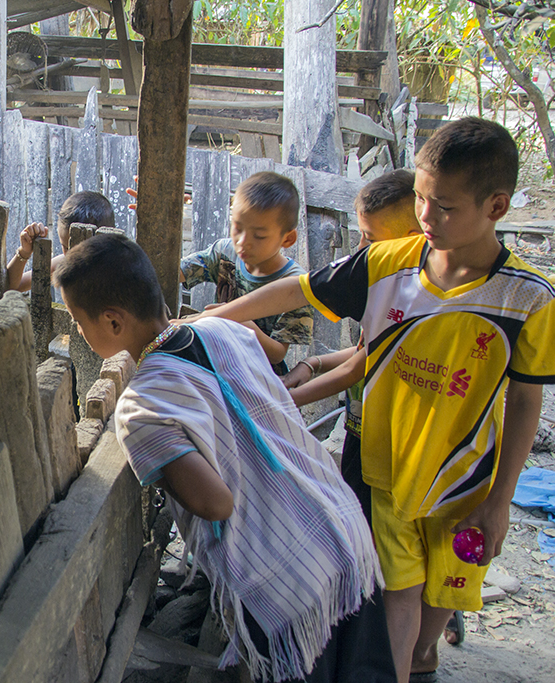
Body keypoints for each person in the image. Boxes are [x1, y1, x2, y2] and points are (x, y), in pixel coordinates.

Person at [199, 118, 555, 683]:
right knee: (399, 593)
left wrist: (501, 499)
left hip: (466, 483)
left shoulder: (527, 298)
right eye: (419, 198)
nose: (426, 217)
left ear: (497, 205)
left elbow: (526, 402)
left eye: (444, 206)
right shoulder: (390, 263)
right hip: (387, 475)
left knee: (450, 587)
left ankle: (424, 654)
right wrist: (206, 319)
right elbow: (300, 288)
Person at [53, 232, 394, 683]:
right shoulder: (224, 329)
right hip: (342, 528)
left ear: (113, 322)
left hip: (286, 577)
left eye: (79, 320)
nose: (77, 329)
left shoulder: (141, 408)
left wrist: (158, 470)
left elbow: (217, 504)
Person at [285, 169, 422, 520]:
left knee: (376, 529)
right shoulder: (388, 286)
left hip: (390, 447)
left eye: (370, 238)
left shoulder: (413, 297)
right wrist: (313, 364)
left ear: (410, 239)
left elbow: (356, 369)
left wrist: (284, 400)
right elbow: (365, 351)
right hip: (358, 430)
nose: (361, 249)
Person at [179, 171, 314, 375]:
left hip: (258, 375)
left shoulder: (296, 286)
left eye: (259, 236)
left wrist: (242, 323)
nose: (242, 242)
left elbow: (277, 354)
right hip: (217, 361)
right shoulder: (224, 253)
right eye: (237, 228)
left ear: (287, 239)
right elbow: (175, 273)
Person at [5, 190, 115, 292]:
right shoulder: (64, 262)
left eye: (80, 251)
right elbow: (11, 287)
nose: (71, 257)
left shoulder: (120, 269)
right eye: (66, 247)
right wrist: (24, 252)